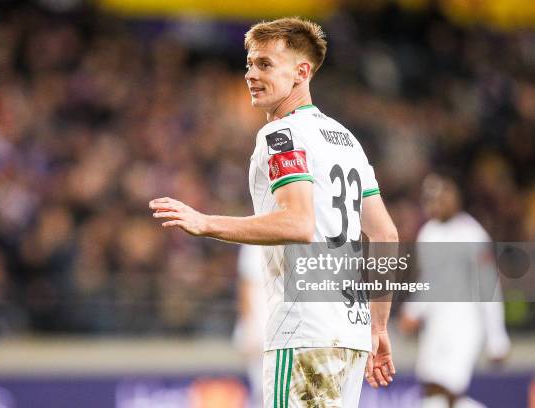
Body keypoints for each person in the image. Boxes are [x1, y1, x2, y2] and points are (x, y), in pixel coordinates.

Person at [150, 17, 398, 407]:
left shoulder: (281, 134)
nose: (250, 74)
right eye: (249, 63)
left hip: (304, 332)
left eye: (265, 64)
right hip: (350, 335)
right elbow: (385, 236)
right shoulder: (346, 140)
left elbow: (299, 223)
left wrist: (205, 222)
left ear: (302, 72)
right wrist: (378, 326)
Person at [400, 171, 511, 408]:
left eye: (443, 196)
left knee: (447, 387)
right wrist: (413, 311)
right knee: (431, 387)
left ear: (455, 197)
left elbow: (488, 288)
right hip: (435, 324)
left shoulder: (472, 234)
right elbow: (429, 282)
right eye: (431, 198)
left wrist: (497, 338)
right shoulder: (428, 234)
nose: (437, 203)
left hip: (465, 324)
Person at [232, 244, 266, 408]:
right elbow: (245, 285)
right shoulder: (253, 243)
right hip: (260, 328)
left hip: (285, 328)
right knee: (262, 390)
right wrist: (249, 327)